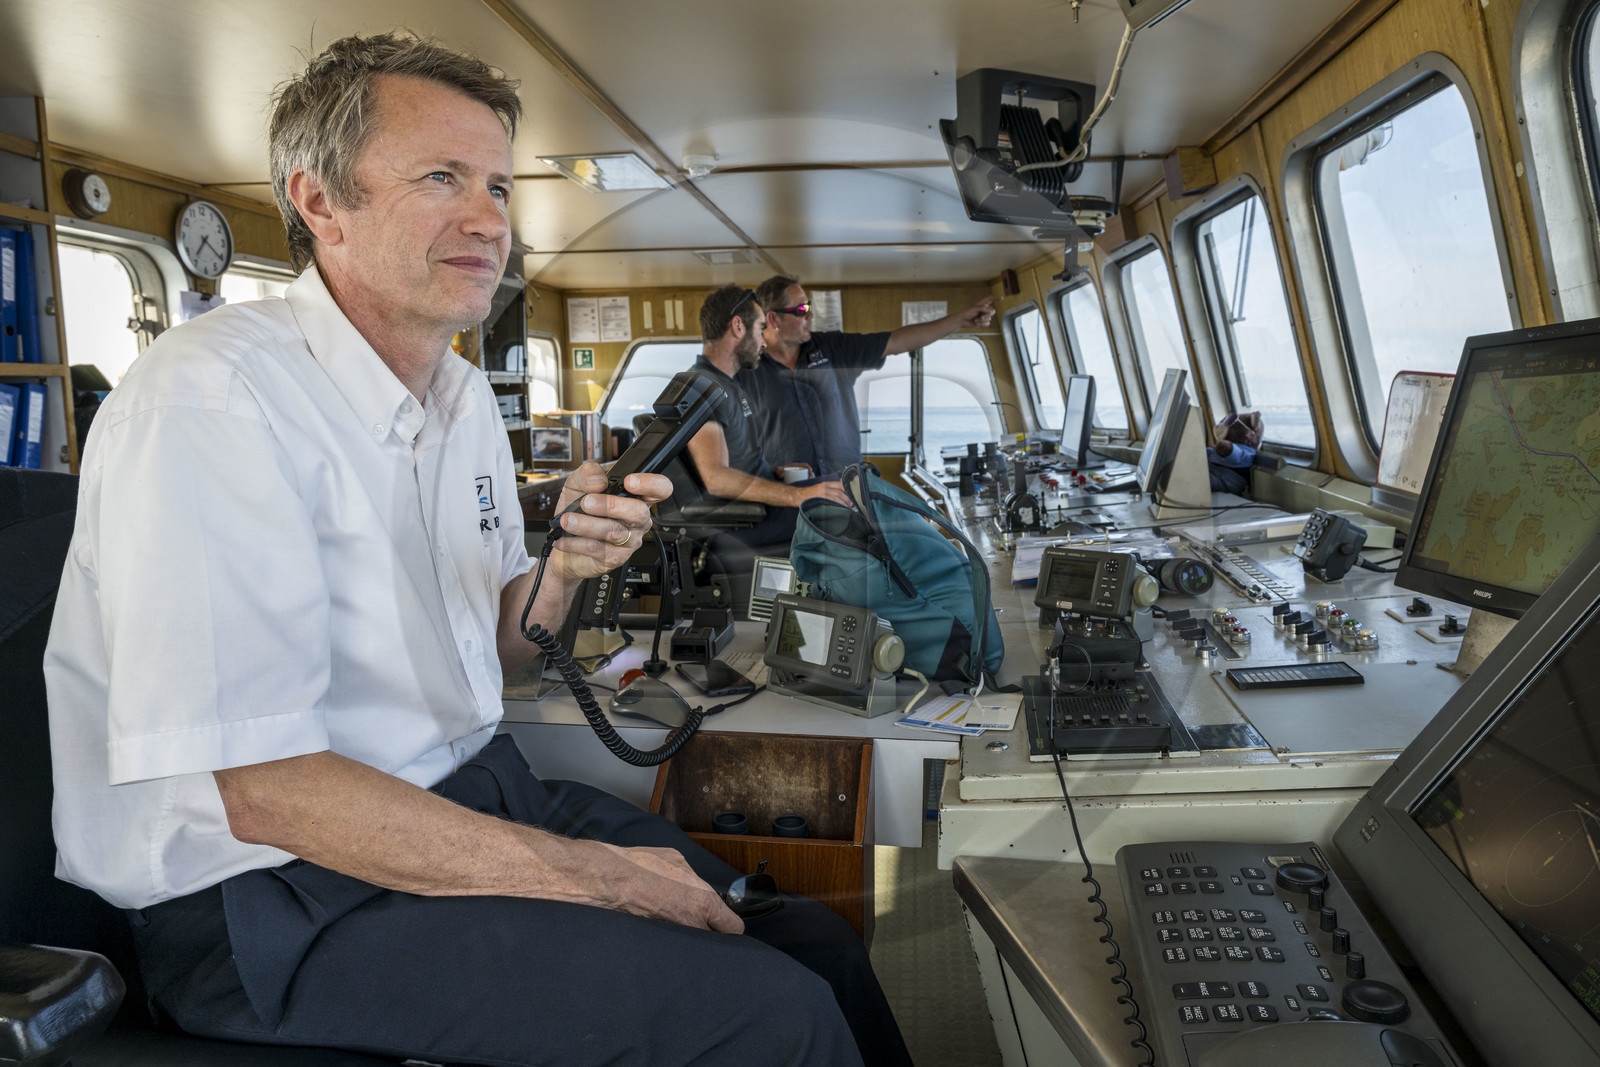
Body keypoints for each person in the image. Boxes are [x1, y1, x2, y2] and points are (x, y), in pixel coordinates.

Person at [43, 33, 908, 1067]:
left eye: (498, 187)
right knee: (769, 1014)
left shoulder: (460, 401)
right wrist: (598, 876)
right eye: (442, 177)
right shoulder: (213, 399)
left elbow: (508, 646)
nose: (487, 219)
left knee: (813, 944)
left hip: (464, 788)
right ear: (320, 201)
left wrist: (568, 572)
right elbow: (264, 785)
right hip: (273, 892)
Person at [740, 275, 998, 476]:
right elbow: (735, 447)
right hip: (789, 497)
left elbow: (898, 341)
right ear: (773, 319)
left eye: (809, 307)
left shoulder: (833, 349)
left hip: (845, 490)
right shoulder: (745, 371)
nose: (811, 314)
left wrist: (959, 322)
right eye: (801, 310)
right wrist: (770, 473)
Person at [684, 285, 851, 547]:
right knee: (854, 507)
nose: (764, 340)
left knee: (859, 482)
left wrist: (773, 472)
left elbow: (734, 460)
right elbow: (716, 479)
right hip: (745, 523)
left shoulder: (727, 385)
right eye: (760, 328)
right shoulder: (703, 387)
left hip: (759, 510)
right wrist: (800, 496)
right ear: (738, 327)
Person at [1207, 410, 1263, 494]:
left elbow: (1236, 456)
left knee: (1205, 480)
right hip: (1217, 469)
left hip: (1232, 480)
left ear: (1250, 433)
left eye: (1230, 421)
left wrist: (1228, 449)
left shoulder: (1248, 452)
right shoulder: (1233, 444)